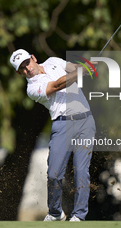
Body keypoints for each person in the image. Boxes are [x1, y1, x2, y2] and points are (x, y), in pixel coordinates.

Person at [10, 49, 96, 221]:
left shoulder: (53, 61)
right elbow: (57, 85)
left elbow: (73, 68)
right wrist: (81, 72)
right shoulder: (32, 88)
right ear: (19, 73)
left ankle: (79, 216)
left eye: (27, 63)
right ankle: (56, 213)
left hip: (85, 120)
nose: (27, 69)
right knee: (54, 174)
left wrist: (88, 67)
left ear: (33, 58)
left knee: (81, 171)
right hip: (62, 123)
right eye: (22, 69)